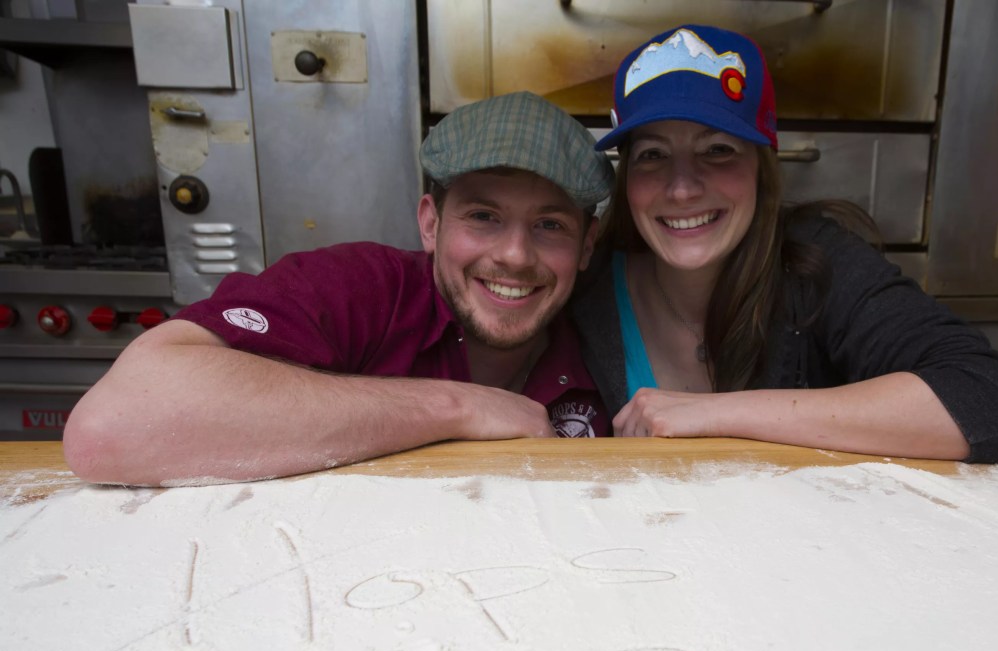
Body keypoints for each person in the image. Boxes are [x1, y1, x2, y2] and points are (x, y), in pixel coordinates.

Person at [64, 92, 614, 486]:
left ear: (587, 244)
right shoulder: (359, 289)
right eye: (483, 216)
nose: (514, 256)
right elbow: (111, 428)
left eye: (550, 225)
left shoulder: (613, 330)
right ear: (430, 223)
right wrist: (457, 406)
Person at [572, 24, 998, 463]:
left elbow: (981, 398)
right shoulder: (586, 287)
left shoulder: (817, 261)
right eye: (653, 155)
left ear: (761, 166)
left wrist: (712, 413)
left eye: (718, 150)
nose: (683, 189)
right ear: (626, 174)